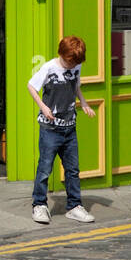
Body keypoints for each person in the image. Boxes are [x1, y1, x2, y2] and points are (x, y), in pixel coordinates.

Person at [28, 35, 96, 224]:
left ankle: (74, 206)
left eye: (74, 63)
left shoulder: (75, 66)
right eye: (68, 62)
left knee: (73, 169)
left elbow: (76, 86)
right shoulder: (49, 67)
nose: (71, 66)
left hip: (69, 127)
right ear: (62, 54)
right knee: (44, 169)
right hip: (50, 128)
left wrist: (84, 103)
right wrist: (42, 106)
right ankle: (39, 205)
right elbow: (31, 86)